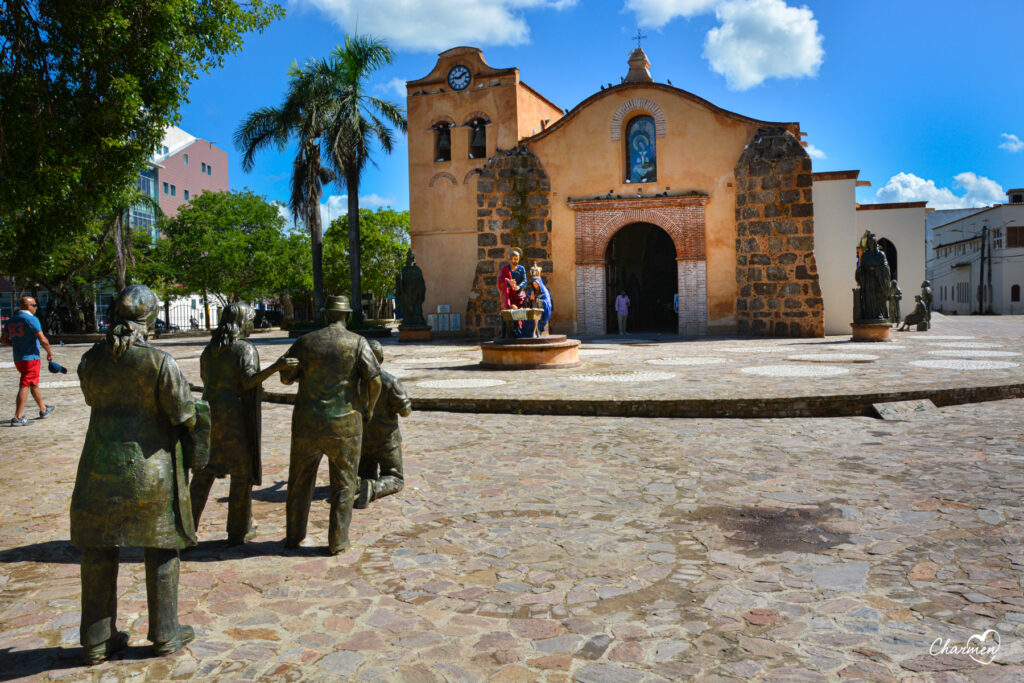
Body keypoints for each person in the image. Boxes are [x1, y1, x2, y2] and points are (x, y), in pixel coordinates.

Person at [70, 285, 202, 664]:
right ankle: (164, 633)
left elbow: (92, 398)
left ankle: (96, 639)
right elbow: (182, 413)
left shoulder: (92, 360)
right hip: (150, 469)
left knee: (97, 548)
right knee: (161, 548)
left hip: (98, 466)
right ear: (148, 319)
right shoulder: (158, 361)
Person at [279, 295, 381, 555]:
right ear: (346, 315)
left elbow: (286, 378)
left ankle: (293, 536)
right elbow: (375, 380)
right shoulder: (358, 342)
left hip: (306, 423)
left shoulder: (305, 342)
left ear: (325, 314)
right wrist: (368, 407)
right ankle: (337, 540)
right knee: (344, 483)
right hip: (344, 425)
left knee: (299, 482)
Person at [189, 303, 298, 545]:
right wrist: (276, 367)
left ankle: (186, 528)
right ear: (241, 322)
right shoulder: (244, 349)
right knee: (241, 473)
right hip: (234, 417)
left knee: (203, 474)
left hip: (208, 415)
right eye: (250, 319)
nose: (252, 323)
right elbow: (248, 381)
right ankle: (237, 530)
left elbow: (206, 379)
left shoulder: (209, 351)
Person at [355, 340, 411, 509]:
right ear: (381, 359)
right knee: (394, 477)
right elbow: (405, 412)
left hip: (363, 440)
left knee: (365, 473)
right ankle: (375, 489)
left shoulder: (354, 383)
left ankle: (360, 483)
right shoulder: (390, 381)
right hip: (387, 441)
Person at [1, 296, 55, 426]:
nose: (36, 308)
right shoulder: (31, 319)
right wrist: (49, 353)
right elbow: (43, 339)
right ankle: (18, 417)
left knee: (33, 383)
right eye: (35, 305)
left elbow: (3, 339)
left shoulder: (11, 320)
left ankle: (43, 409)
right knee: (25, 384)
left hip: (18, 358)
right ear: (28, 306)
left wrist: (15, 345)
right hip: (31, 358)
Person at [855, 231, 891, 322]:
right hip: (867, 280)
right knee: (868, 298)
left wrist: (877, 269)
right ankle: (868, 315)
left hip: (878, 280)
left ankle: (879, 314)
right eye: (869, 242)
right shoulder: (865, 255)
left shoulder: (880, 254)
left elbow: (885, 267)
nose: (871, 244)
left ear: (875, 243)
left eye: (872, 242)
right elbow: (861, 267)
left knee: (878, 297)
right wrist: (862, 270)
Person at [498, 248, 527, 337]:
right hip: (508, 296)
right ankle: (503, 334)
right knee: (506, 313)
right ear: (511, 259)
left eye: (517, 259)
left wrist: (519, 287)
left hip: (518, 295)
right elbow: (500, 279)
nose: (516, 261)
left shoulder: (521, 269)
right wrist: (508, 281)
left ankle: (519, 332)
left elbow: (525, 280)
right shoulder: (505, 269)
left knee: (519, 313)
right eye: (514, 259)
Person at [523, 264, 553, 337]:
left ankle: (535, 333)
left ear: (539, 284)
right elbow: (526, 301)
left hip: (540, 313)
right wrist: (529, 299)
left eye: (536, 284)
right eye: (533, 284)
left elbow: (547, 304)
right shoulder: (531, 291)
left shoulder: (544, 292)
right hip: (532, 311)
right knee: (526, 319)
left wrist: (536, 299)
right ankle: (528, 334)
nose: (535, 285)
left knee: (534, 320)